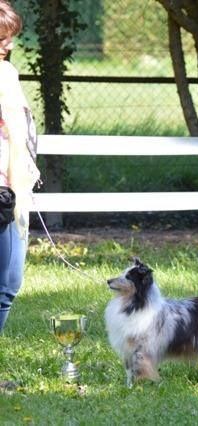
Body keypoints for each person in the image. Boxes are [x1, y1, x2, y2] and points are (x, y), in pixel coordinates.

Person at [0, 0, 40, 335]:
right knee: (7, 283)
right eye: (1, 39)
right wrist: (17, 196)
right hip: (3, 191)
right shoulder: (4, 74)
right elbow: (14, 138)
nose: (9, 45)